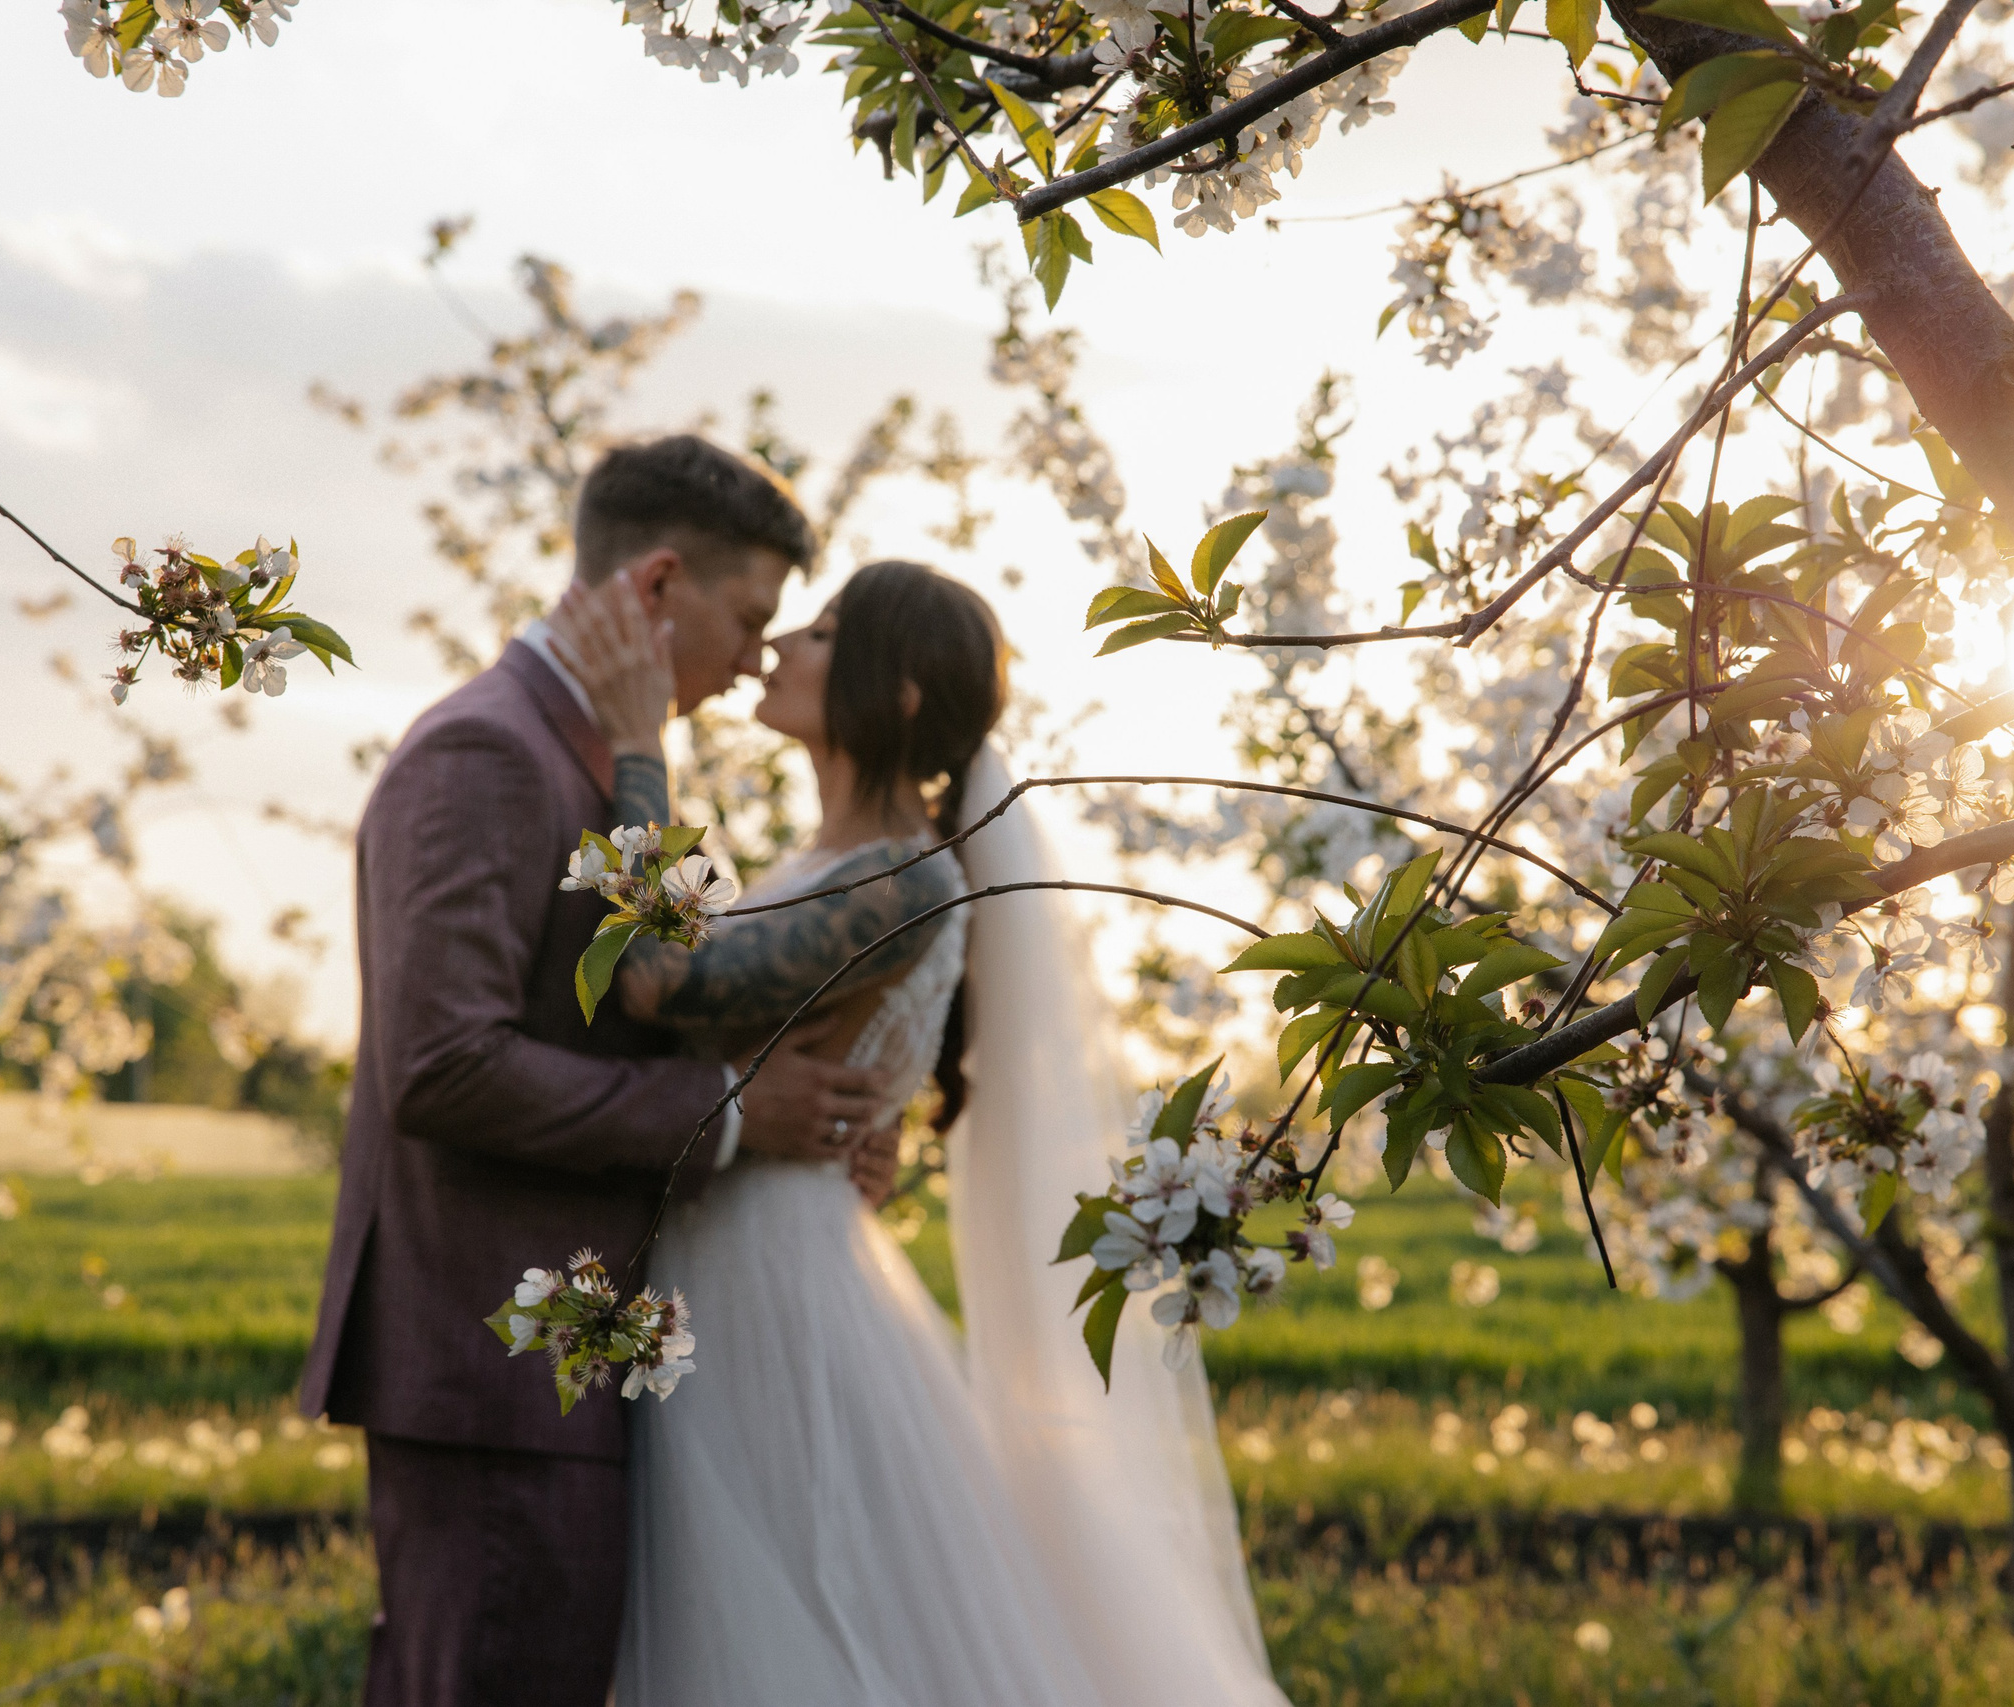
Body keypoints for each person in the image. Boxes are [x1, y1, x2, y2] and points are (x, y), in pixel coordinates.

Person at [551, 558, 1293, 1707]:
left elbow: (656, 976)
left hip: (778, 1289)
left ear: (897, 694)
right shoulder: (818, 866)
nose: (784, 646)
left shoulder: (904, 879)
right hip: (734, 1260)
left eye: (824, 630)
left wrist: (641, 744)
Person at [298, 435, 902, 1707]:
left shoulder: (587, 760)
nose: (752, 663)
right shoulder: (487, 755)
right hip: (495, 1375)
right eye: (747, 620)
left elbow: (656, 1003)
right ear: (659, 582)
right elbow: (443, 1067)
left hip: (562, 1366)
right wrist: (733, 1119)